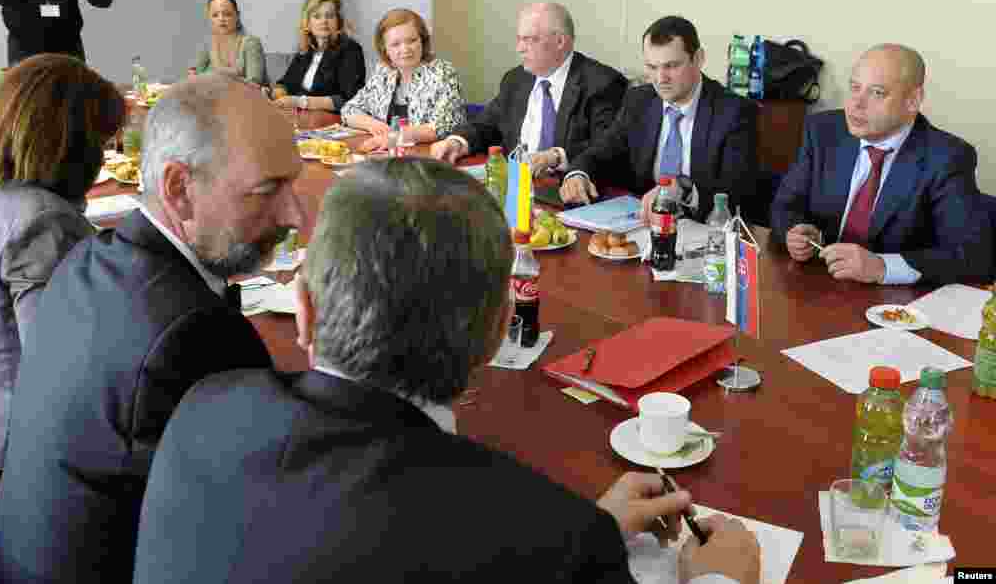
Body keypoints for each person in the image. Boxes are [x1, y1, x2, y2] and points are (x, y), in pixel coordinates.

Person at [132, 157, 760, 584]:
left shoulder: (201, 410)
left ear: (303, 308)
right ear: (497, 332)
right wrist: (716, 578)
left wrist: (576, 532)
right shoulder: (545, 537)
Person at [0, 75, 306, 583]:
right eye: (269, 188)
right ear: (179, 189)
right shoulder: (193, 332)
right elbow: (262, 518)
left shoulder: (91, 259)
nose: (297, 213)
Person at [0, 54, 124, 503]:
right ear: (70, 143)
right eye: (100, 139)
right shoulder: (41, 222)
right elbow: (65, 372)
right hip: (18, 454)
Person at [773, 44, 993, 285]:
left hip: (895, 306)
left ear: (913, 100)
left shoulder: (948, 157)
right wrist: (795, 232)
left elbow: (972, 257)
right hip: (820, 288)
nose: (857, 104)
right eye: (855, 88)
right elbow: (784, 206)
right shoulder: (822, 131)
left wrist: (883, 267)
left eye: (876, 93)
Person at [561, 16, 759, 221]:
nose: (660, 78)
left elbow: (737, 192)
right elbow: (601, 152)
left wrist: (683, 190)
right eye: (652, 67)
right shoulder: (639, 100)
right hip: (642, 224)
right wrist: (579, 174)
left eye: (671, 66)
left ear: (698, 59)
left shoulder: (734, 112)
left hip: (701, 231)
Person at [431, 2, 626, 176]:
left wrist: (556, 156)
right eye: (519, 39)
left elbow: (607, 147)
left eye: (529, 39)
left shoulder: (602, 83)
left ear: (560, 42)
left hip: (567, 188)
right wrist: (457, 142)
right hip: (518, 185)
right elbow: (486, 125)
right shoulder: (516, 79)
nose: (520, 48)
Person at [340, 8, 466, 153]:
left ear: (422, 41)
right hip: (389, 156)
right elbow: (349, 110)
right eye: (396, 44)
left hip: (430, 158)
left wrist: (394, 137)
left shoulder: (443, 72)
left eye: (411, 41)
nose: (405, 49)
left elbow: (443, 127)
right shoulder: (384, 72)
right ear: (385, 49)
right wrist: (373, 125)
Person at [272, 0, 366, 112]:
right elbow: (285, 83)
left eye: (330, 16)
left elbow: (349, 98)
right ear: (308, 23)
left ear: (338, 21)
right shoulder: (306, 50)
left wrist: (300, 102)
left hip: (333, 121)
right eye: (317, 16)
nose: (324, 21)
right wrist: (274, 93)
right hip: (303, 118)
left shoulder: (350, 50)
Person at [194, 0, 267, 86]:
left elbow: (254, 82)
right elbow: (197, 74)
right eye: (215, 15)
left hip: (245, 96)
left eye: (227, 14)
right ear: (209, 18)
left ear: (237, 15)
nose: (221, 19)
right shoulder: (208, 44)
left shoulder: (251, 43)